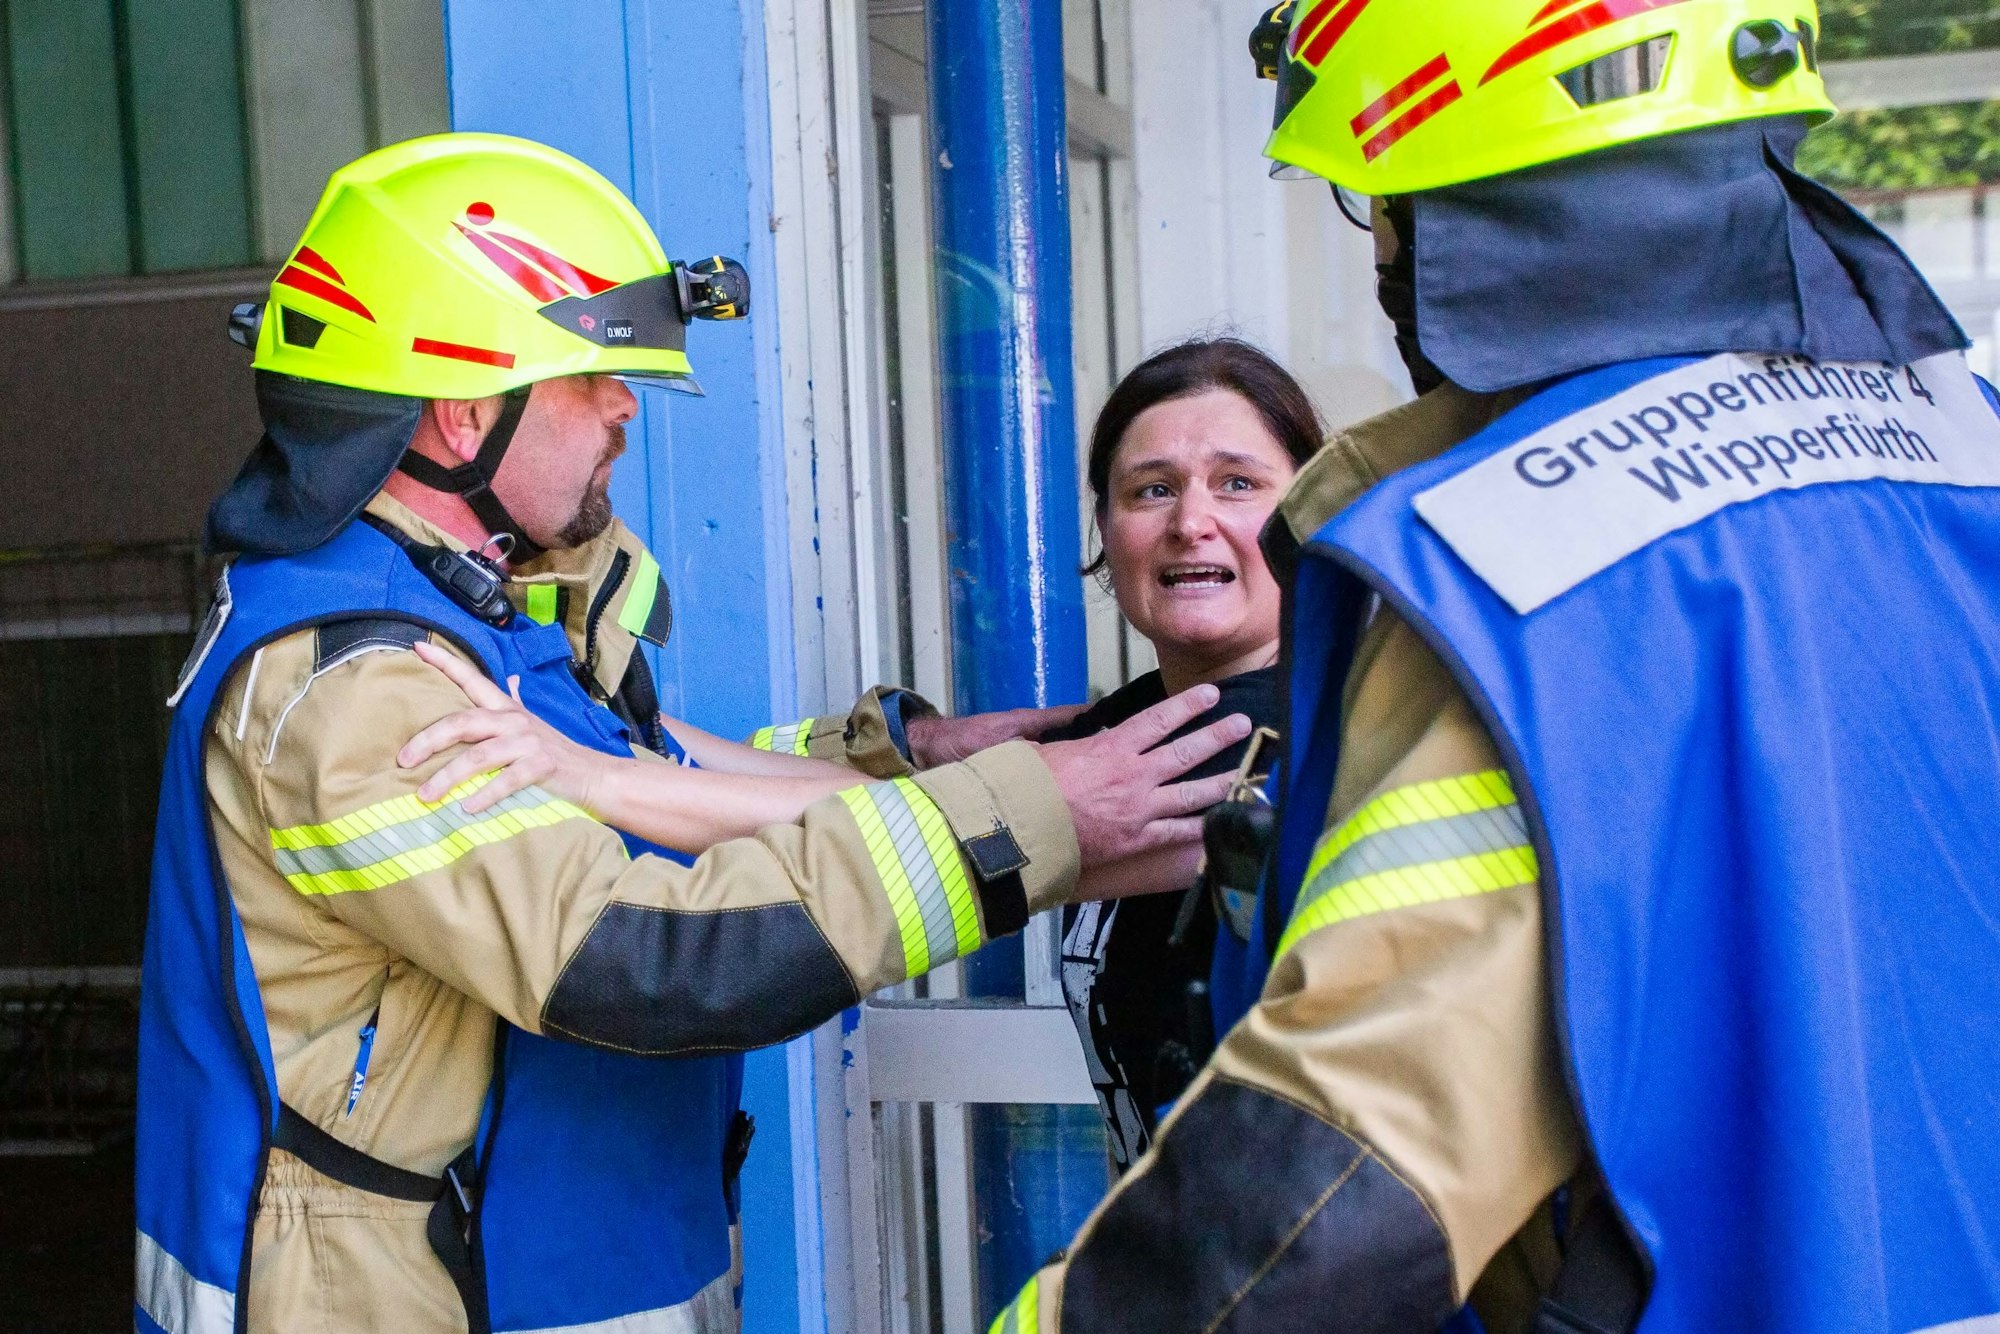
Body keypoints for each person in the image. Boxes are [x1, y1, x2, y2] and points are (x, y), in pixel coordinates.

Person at [990, 3, 2000, 1332]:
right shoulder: (1958, 454)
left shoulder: (1523, 571)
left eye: (1382, 208)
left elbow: (1335, 1188)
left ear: (1461, 208)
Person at [136, 132, 1247, 1334]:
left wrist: (903, 756)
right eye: (589, 378)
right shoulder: (354, 689)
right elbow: (638, 956)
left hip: (574, 1263)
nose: (624, 409)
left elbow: (631, 770)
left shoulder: (466, 602)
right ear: (465, 412)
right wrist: (1016, 820)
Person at [1047, 338, 1320, 1170]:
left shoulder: (1292, 735)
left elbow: (909, 836)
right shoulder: (1136, 723)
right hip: (1169, 1270)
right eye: (1151, 490)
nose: (1189, 521)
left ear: (1311, 511)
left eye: (1238, 484)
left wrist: (634, 783)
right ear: (1104, 527)